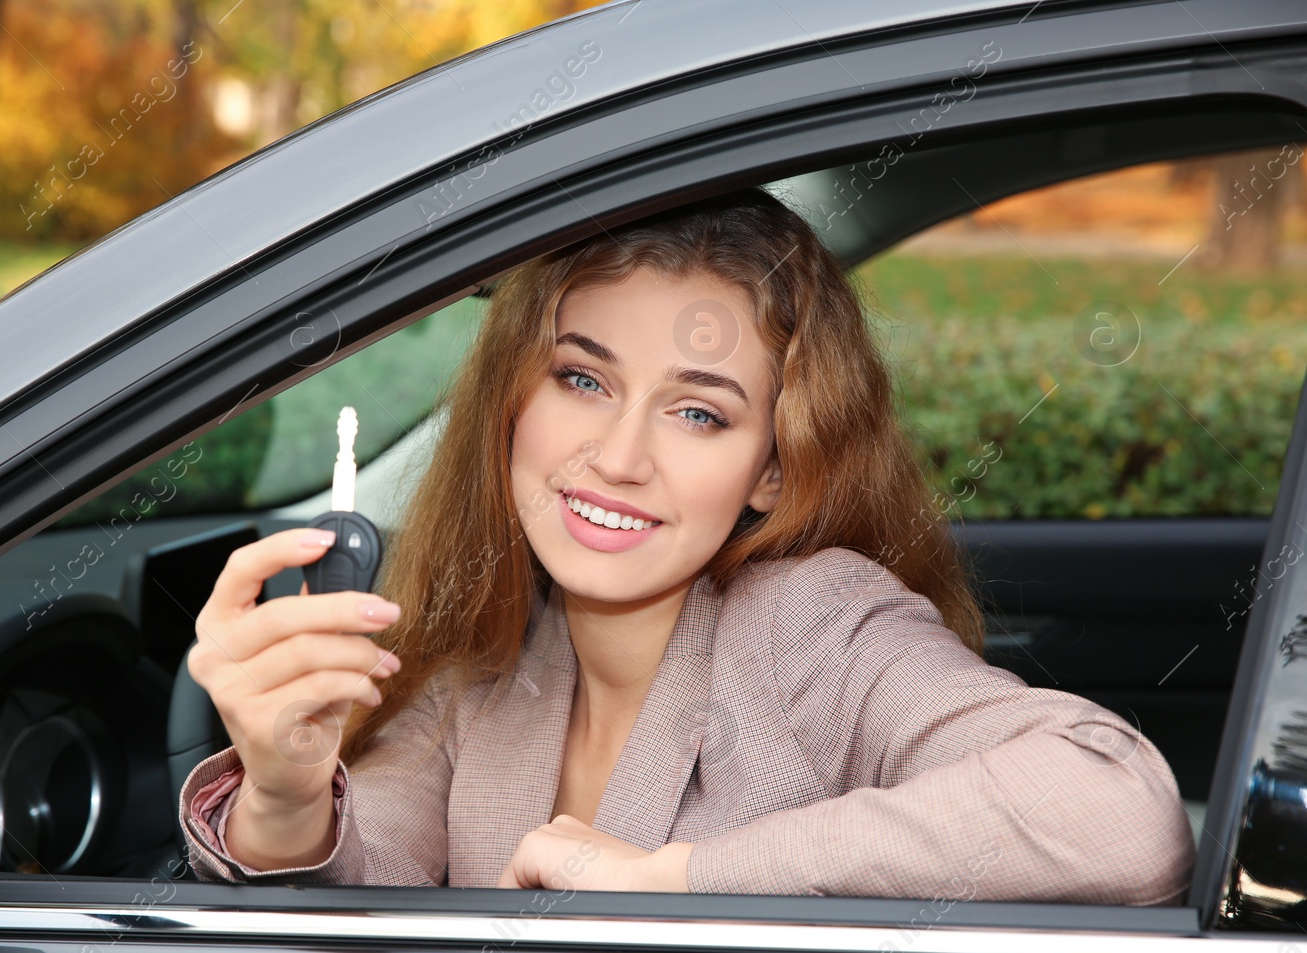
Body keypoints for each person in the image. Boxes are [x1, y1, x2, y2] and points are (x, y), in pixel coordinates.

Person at [175, 186, 1195, 902]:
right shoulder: (487, 662)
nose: (617, 457)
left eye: (697, 413)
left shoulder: (815, 620)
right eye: (582, 379)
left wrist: (667, 879)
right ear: (512, 400)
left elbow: (1115, 811)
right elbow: (354, 887)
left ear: (773, 468)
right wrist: (284, 786)